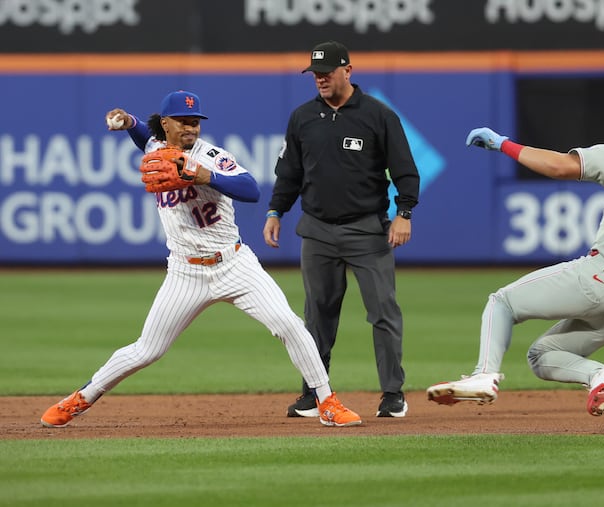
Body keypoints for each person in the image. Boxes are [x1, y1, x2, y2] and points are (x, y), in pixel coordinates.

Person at [40, 90, 362, 429]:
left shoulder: (211, 156)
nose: (191, 128)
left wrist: (203, 175)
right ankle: (81, 398)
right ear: (166, 124)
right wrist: (129, 122)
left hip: (235, 265)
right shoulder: (156, 147)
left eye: (195, 122)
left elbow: (251, 189)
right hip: (185, 272)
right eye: (182, 122)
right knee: (147, 349)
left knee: (289, 324)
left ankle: (327, 401)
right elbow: (145, 139)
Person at [427, 99, 604, 416]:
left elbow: (558, 166)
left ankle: (485, 375)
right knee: (542, 355)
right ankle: (598, 376)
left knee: (502, 303)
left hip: (600, 278)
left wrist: (502, 144)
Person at [263, 41, 420, 418]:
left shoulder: (378, 116)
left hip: (367, 230)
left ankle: (392, 394)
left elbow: (405, 170)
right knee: (317, 315)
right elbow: (290, 173)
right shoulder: (302, 117)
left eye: (326, 73)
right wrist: (275, 210)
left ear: (347, 71)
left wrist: (405, 212)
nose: (319, 79)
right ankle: (314, 393)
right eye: (315, 74)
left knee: (383, 311)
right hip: (317, 231)